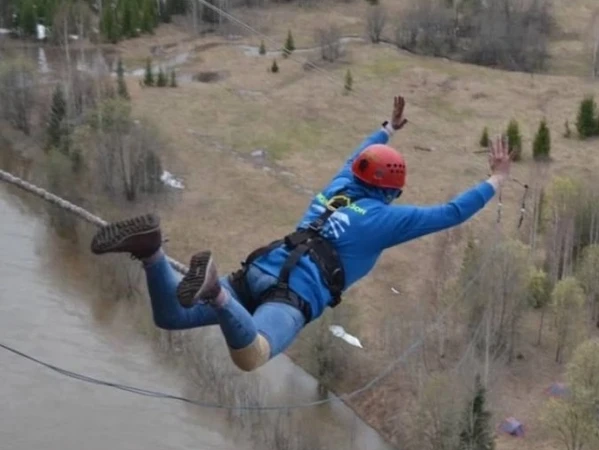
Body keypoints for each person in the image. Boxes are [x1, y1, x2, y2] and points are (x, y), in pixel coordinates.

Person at [90, 96, 513, 372]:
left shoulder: (338, 187)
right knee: (252, 355)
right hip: (292, 295)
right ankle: (215, 292)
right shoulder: (383, 219)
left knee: (170, 317)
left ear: (360, 173)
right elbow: (451, 213)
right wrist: (496, 180)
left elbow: (357, 155)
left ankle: (151, 252)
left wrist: (388, 128)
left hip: (259, 270)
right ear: (391, 191)